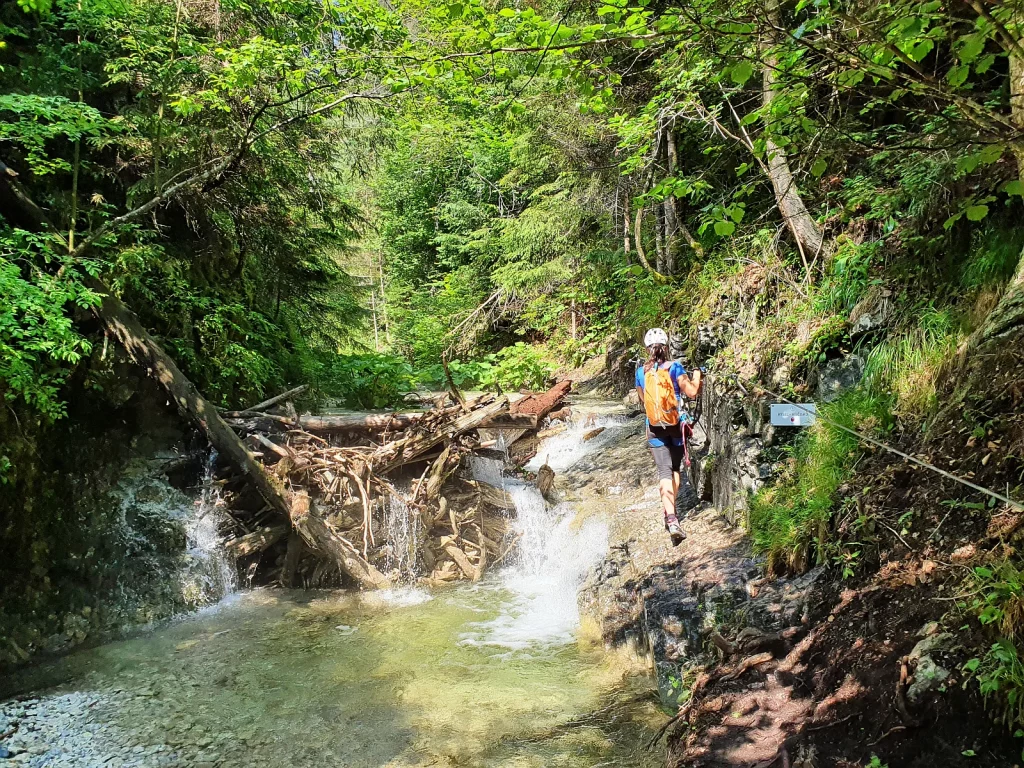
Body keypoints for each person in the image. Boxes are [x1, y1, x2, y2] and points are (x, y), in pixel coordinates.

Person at [635, 328, 702, 546]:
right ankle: (671, 514)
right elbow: (692, 392)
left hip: (654, 427)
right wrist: (698, 374)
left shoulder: (640, 372)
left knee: (663, 471)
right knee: (674, 470)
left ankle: (671, 518)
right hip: (675, 426)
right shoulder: (675, 367)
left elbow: (642, 401)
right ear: (666, 347)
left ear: (648, 349)